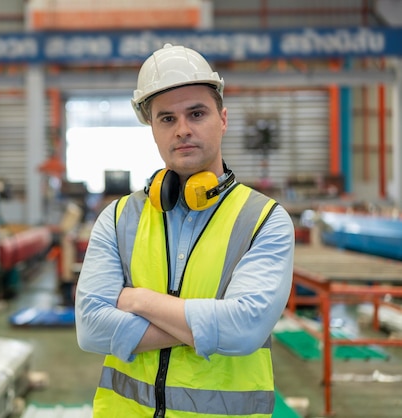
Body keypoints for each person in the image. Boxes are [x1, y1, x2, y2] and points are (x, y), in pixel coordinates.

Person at [74, 43, 295, 418]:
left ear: (222, 119)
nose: (183, 130)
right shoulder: (118, 218)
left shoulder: (264, 220)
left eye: (196, 113)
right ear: (153, 129)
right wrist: (206, 327)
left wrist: (138, 300)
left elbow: (244, 331)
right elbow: (91, 329)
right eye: (167, 119)